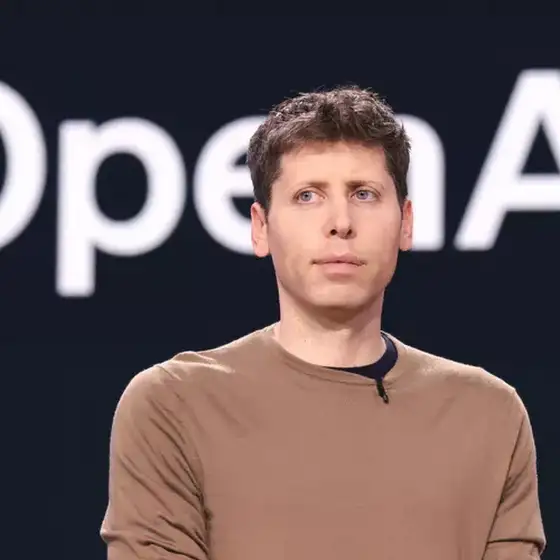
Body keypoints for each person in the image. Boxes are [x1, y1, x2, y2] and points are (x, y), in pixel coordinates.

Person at [100, 86, 546, 560]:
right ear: (261, 227)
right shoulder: (173, 406)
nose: (340, 222)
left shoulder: (489, 416)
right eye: (308, 196)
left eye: (364, 194)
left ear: (406, 222)